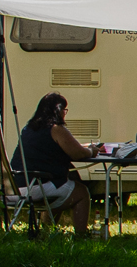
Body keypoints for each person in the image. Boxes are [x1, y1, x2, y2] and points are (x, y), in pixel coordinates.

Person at [11, 92, 94, 235]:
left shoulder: (28, 129)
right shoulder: (56, 129)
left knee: (61, 189)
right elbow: (78, 153)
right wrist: (92, 151)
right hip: (35, 184)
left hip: (15, 185)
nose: (64, 114)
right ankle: (81, 235)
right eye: (64, 110)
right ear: (58, 110)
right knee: (80, 192)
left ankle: (48, 231)